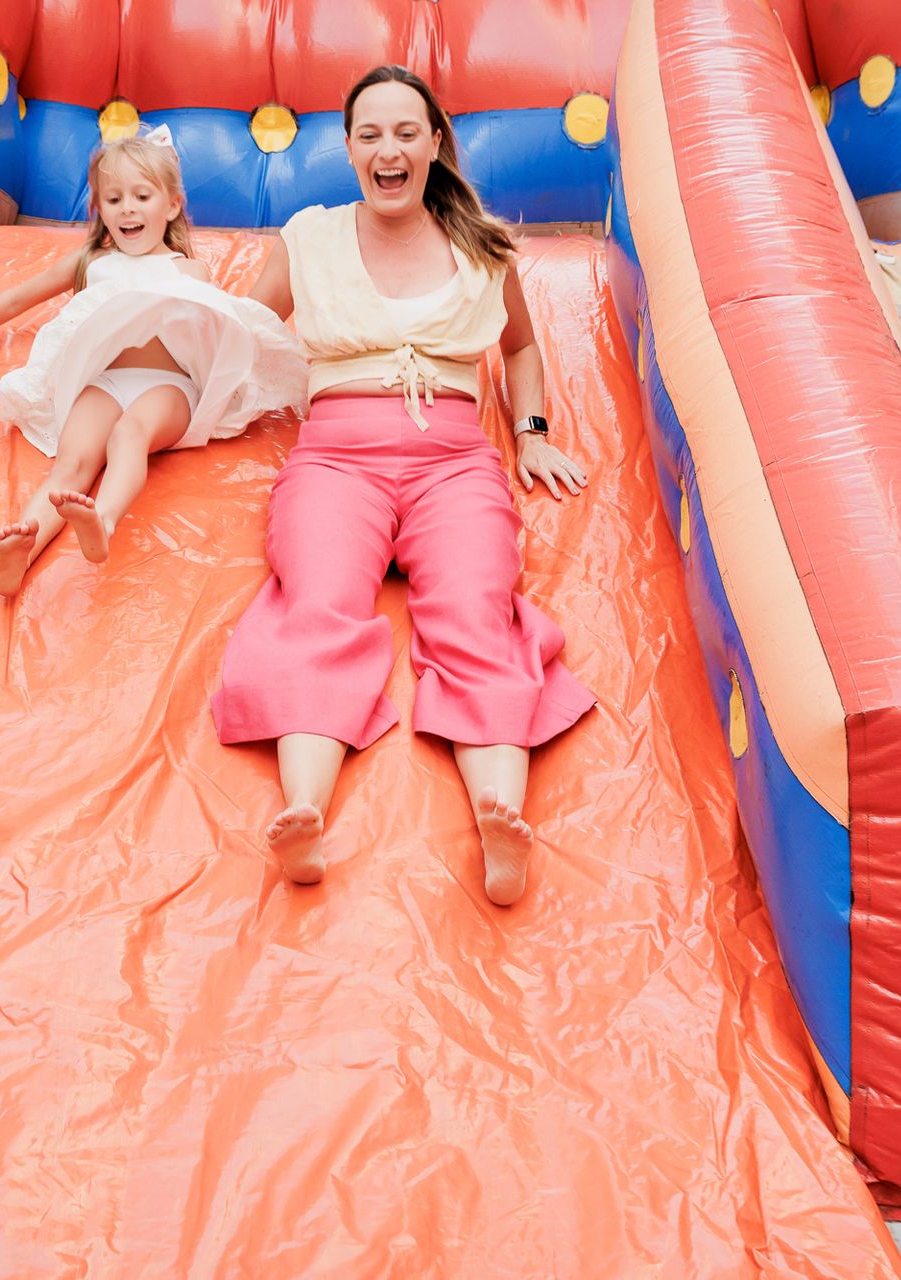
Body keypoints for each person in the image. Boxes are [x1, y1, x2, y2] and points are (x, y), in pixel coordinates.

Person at [211, 65, 592, 904]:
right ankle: (303, 813)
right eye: (371, 134)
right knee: (319, 601)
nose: (389, 149)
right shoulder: (308, 238)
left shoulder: (481, 243)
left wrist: (530, 435)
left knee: (476, 606)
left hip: (453, 461)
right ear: (348, 149)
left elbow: (520, 348)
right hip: (336, 459)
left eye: (406, 133)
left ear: (434, 145)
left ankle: (500, 817)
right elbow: (236, 334)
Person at [0, 127, 306, 589]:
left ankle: (103, 522)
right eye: (113, 199)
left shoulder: (189, 269)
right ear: (100, 210)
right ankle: (20, 553)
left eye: (141, 196)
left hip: (169, 389)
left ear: (171, 206)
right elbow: (15, 301)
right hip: (107, 382)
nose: (127, 207)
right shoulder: (92, 264)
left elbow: (224, 331)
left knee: (129, 435)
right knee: (71, 462)